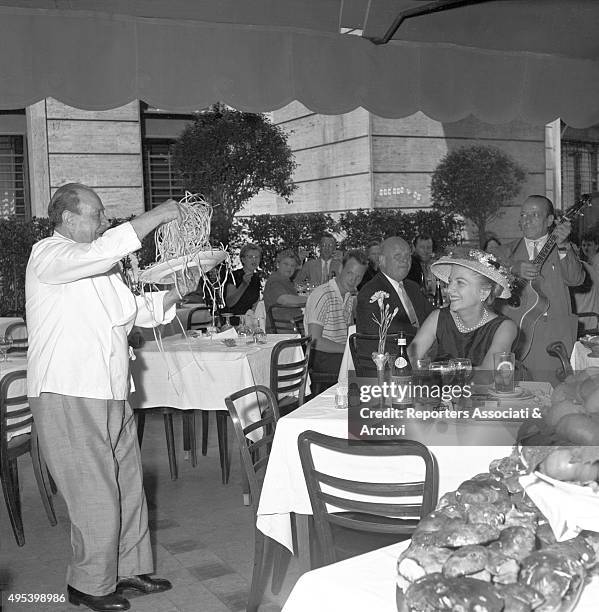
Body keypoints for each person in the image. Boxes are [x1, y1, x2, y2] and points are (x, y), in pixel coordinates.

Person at [26, 183, 200, 611]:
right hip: (68, 389)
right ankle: (88, 583)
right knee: (93, 490)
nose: (105, 222)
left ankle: (128, 568)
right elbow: (102, 251)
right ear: (68, 219)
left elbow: (135, 311)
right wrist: (157, 216)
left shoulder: (99, 268)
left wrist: (180, 289)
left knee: (126, 482)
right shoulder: (49, 254)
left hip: (111, 390)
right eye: (97, 215)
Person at [496, 195, 584, 383]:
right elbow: (484, 274)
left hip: (553, 343)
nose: (525, 220)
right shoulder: (506, 252)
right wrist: (513, 268)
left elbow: (576, 279)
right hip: (515, 340)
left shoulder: (566, 249)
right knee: (514, 402)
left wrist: (562, 246)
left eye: (534, 214)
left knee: (555, 403)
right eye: (523, 215)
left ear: (550, 220)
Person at [408, 249, 517, 370]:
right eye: (449, 282)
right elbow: (410, 357)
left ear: (484, 292)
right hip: (439, 389)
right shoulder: (438, 318)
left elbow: (488, 373)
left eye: (460, 283)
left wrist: (439, 370)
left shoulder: (505, 327)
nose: (448, 290)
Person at [304, 250, 367, 382]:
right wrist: (348, 350)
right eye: (350, 273)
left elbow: (348, 332)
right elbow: (314, 341)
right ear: (340, 268)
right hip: (321, 357)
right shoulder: (323, 294)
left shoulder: (349, 296)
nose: (353, 280)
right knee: (366, 368)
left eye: (359, 277)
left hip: (339, 353)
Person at [357, 237, 433, 337]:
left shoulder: (412, 287)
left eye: (407, 256)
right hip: (393, 350)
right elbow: (386, 332)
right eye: (398, 256)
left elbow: (432, 315)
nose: (405, 260)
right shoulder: (370, 293)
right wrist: (425, 337)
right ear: (382, 260)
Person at [263, 249, 306, 333]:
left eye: (292, 265)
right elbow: (284, 299)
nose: (289, 268)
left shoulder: (286, 281)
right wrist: (310, 299)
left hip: (292, 325)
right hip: (284, 328)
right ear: (278, 264)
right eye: (286, 264)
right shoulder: (275, 280)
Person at [224, 243, 262, 321]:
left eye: (257, 257)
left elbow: (255, 303)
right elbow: (230, 303)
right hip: (234, 321)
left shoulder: (256, 278)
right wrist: (244, 285)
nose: (254, 260)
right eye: (250, 257)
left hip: (250, 321)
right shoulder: (234, 276)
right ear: (243, 259)